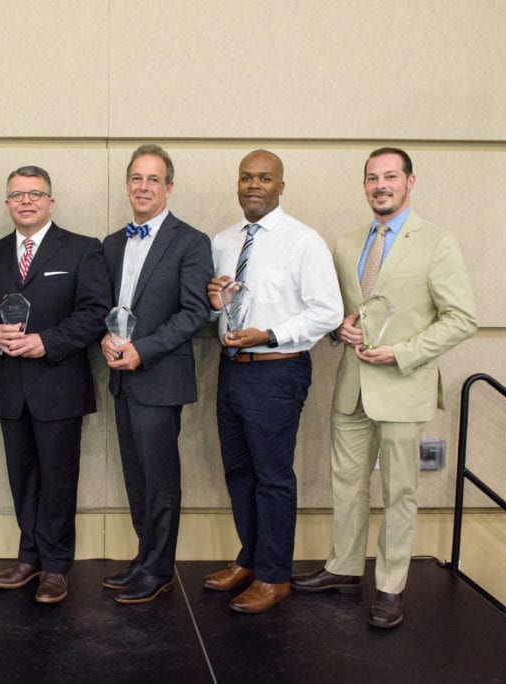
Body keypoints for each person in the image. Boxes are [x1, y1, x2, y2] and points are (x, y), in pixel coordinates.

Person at [291, 147, 476, 628]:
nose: (381, 185)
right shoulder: (348, 243)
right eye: (372, 178)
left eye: (391, 176)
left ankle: (391, 586)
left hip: (402, 384)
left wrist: (404, 352)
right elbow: (333, 313)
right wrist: (340, 330)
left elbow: (461, 319)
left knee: (399, 492)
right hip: (352, 386)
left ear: (410, 182)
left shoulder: (437, 242)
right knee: (347, 485)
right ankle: (345, 567)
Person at [202, 150, 342, 613]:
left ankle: (274, 575)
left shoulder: (304, 241)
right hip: (232, 369)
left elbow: (328, 312)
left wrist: (271, 334)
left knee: (273, 477)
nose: (254, 185)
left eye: (265, 178)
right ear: (237, 184)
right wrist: (216, 304)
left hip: (277, 371)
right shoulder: (224, 241)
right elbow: (216, 310)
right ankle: (250, 559)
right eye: (246, 177)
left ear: (281, 186)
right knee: (238, 471)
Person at [0, 166, 110, 604]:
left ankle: (55, 566)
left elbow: (94, 313)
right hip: (12, 389)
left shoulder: (82, 250)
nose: (26, 201)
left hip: (60, 384)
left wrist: (46, 342)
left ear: (51, 202)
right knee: (22, 477)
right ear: (7, 203)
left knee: (58, 478)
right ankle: (27, 558)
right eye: (17, 194)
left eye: (35, 194)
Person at [99, 144, 212, 604]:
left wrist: (141, 351)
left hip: (159, 378)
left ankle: (160, 569)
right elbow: (102, 308)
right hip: (120, 378)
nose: (143, 187)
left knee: (161, 480)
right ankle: (145, 557)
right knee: (136, 477)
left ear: (168, 188)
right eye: (136, 179)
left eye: (153, 180)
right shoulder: (111, 243)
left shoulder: (190, 241)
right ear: (128, 185)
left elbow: (194, 313)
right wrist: (105, 340)